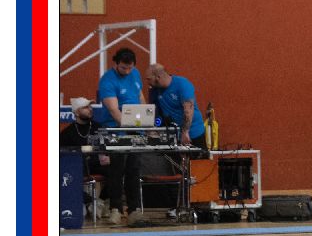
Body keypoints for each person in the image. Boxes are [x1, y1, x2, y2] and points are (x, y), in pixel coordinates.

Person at [93, 47, 145, 225]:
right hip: (116, 129)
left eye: (130, 68)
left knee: (134, 169)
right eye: (123, 68)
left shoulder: (135, 73)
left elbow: (140, 97)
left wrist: (146, 120)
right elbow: (114, 110)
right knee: (117, 170)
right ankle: (115, 208)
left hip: (135, 129)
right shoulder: (107, 80)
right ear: (115, 64)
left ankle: (134, 209)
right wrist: (130, 125)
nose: (127, 71)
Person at [59, 96, 110, 219]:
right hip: (78, 166)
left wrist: (107, 156)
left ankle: (105, 202)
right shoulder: (67, 133)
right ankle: (91, 201)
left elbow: (107, 147)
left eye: (90, 106)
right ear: (77, 112)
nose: (90, 109)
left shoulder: (99, 127)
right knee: (65, 176)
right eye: (86, 107)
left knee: (117, 168)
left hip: (98, 163)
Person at [145, 64, 208, 151]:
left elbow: (188, 111)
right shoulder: (154, 90)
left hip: (193, 132)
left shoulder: (182, 84)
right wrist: (154, 128)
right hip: (173, 134)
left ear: (158, 77)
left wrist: (185, 132)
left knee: (199, 159)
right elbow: (153, 111)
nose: (147, 82)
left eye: (149, 79)